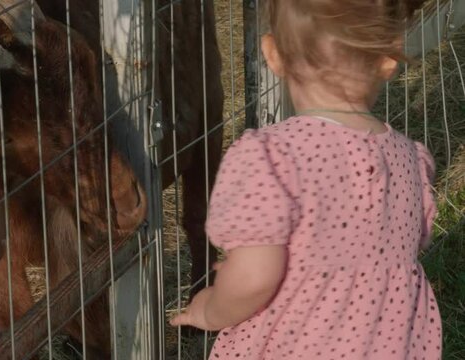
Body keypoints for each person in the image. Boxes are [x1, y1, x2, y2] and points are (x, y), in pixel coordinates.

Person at [169, 0, 441, 358]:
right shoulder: (410, 159)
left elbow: (254, 277)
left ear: (272, 53)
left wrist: (210, 309)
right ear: (390, 57)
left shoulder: (270, 157)